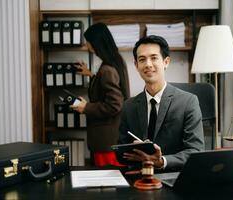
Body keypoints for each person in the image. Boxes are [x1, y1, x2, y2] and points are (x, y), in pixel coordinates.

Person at [118, 35, 204, 171]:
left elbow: (195, 151)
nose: (148, 64)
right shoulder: (129, 106)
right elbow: (121, 153)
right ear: (136, 65)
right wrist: (134, 150)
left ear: (166, 62)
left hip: (175, 179)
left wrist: (161, 161)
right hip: (138, 177)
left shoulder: (188, 102)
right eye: (142, 59)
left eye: (154, 58)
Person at [72, 23, 130, 167]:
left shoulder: (107, 70)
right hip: (112, 136)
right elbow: (108, 87)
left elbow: (114, 105)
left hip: (106, 140)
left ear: (96, 43)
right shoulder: (116, 61)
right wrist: (91, 75)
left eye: (88, 42)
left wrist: (86, 107)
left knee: (108, 182)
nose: (87, 46)